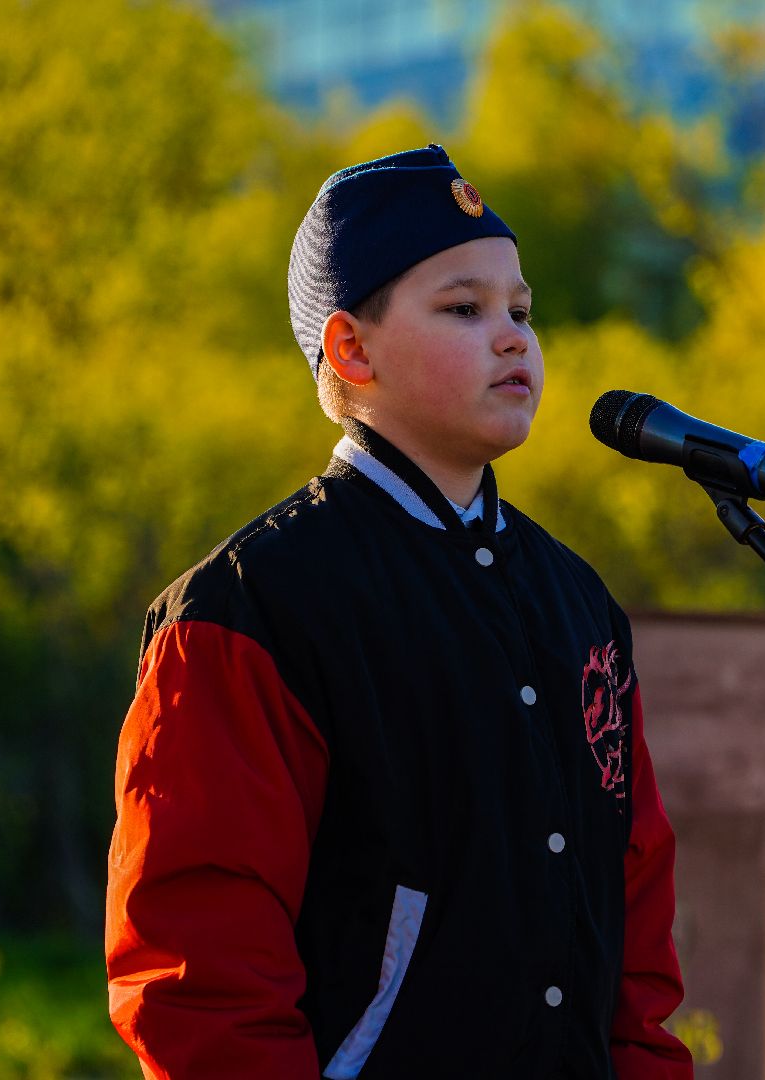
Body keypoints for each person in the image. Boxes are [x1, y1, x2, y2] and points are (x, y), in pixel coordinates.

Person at [105, 145, 693, 1079]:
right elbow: (197, 972)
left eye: (521, 310)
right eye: (464, 308)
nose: (512, 337)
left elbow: (637, 925)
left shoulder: (578, 599)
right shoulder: (251, 607)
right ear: (352, 348)